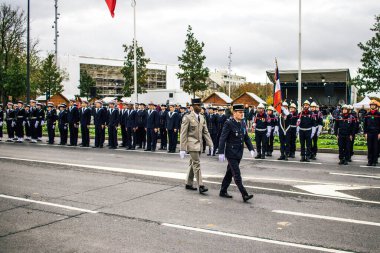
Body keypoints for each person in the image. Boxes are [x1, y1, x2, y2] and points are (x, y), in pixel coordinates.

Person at [218, 104, 256, 202]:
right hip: (231, 153)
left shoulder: (242, 122)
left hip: (239, 152)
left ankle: (223, 191)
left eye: (242, 112)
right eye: (240, 112)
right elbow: (223, 138)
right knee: (236, 174)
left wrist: (251, 148)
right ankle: (244, 194)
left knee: (229, 173)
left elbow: (246, 137)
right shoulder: (229, 123)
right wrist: (221, 152)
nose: (242, 114)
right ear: (234, 113)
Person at [180, 98, 213, 194]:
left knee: (192, 164)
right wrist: (182, 148)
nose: (199, 107)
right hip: (191, 144)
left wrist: (210, 144)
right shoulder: (187, 117)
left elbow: (205, 132)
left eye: (200, 105)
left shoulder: (202, 117)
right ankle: (201, 185)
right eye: (197, 105)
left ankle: (188, 183)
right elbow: (183, 133)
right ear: (193, 106)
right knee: (197, 164)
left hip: (200, 145)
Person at [363, 100, 380, 166]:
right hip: (369, 133)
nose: (372, 106)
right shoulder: (367, 115)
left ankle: (374, 161)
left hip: (376, 133)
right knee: (369, 147)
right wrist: (365, 133)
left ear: (376, 106)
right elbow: (365, 125)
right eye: (371, 105)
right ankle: (370, 161)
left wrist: (379, 133)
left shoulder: (379, 114)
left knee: (376, 147)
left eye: (374, 105)